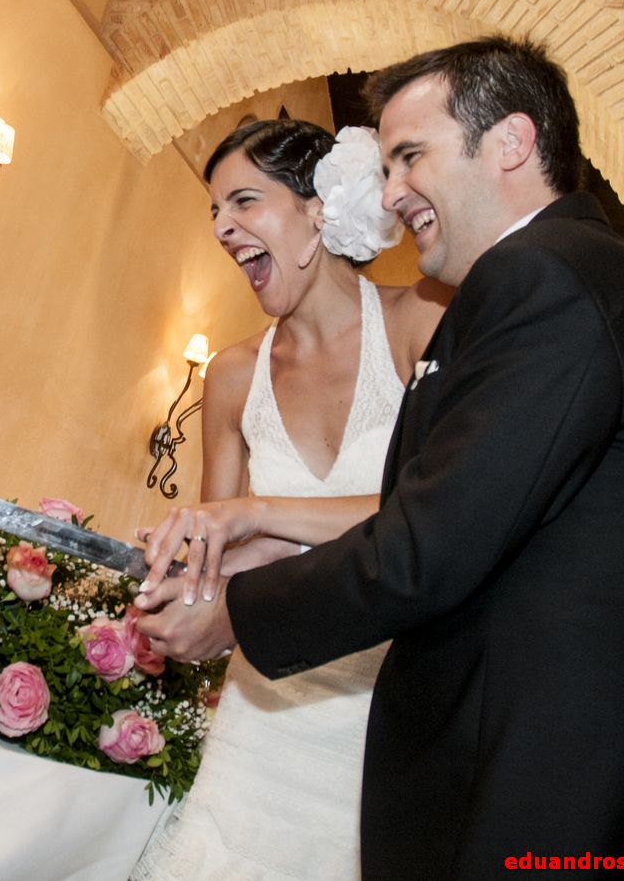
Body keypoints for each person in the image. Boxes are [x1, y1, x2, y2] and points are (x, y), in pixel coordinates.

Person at [135, 37, 624, 878]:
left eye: (409, 157)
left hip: (557, 793)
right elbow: (480, 521)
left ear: (511, 143)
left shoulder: (544, 281)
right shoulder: (572, 278)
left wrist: (237, 612)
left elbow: (427, 545)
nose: (389, 194)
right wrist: (261, 541)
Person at [130, 119, 447, 879]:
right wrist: (170, 591)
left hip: (389, 717)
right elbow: (218, 562)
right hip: (259, 723)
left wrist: (255, 513)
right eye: (213, 211)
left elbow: (437, 515)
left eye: (243, 201)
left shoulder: (421, 323)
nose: (221, 228)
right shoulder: (233, 376)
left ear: (319, 207)